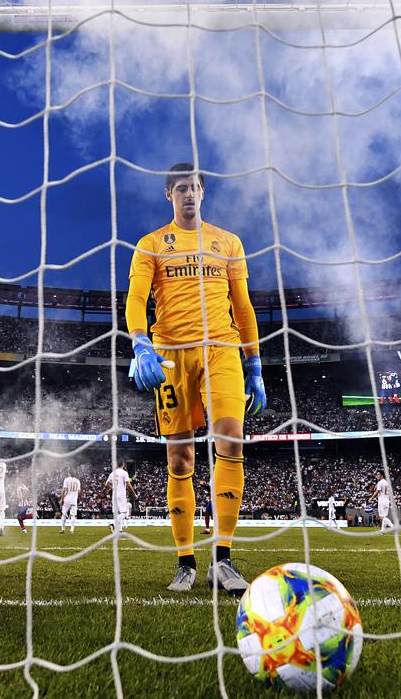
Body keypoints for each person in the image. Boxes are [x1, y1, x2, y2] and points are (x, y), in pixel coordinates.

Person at [125, 162, 265, 595]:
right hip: (171, 356)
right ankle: (185, 562)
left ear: (203, 192)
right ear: (169, 194)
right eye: (181, 188)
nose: (189, 194)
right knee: (180, 460)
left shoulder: (228, 242)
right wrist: (140, 343)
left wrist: (255, 364)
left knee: (231, 442)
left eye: (195, 187)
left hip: (221, 351)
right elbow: (136, 299)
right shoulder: (151, 244)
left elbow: (243, 306)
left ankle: (222, 560)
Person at [106, 463, 137, 534]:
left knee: (117, 513)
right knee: (124, 512)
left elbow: (106, 484)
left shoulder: (113, 473)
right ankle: (113, 523)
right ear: (123, 465)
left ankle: (120, 529)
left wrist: (112, 488)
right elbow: (128, 484)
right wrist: (134, 493)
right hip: (121, 495)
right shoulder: (124, 473)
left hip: (114, 495)